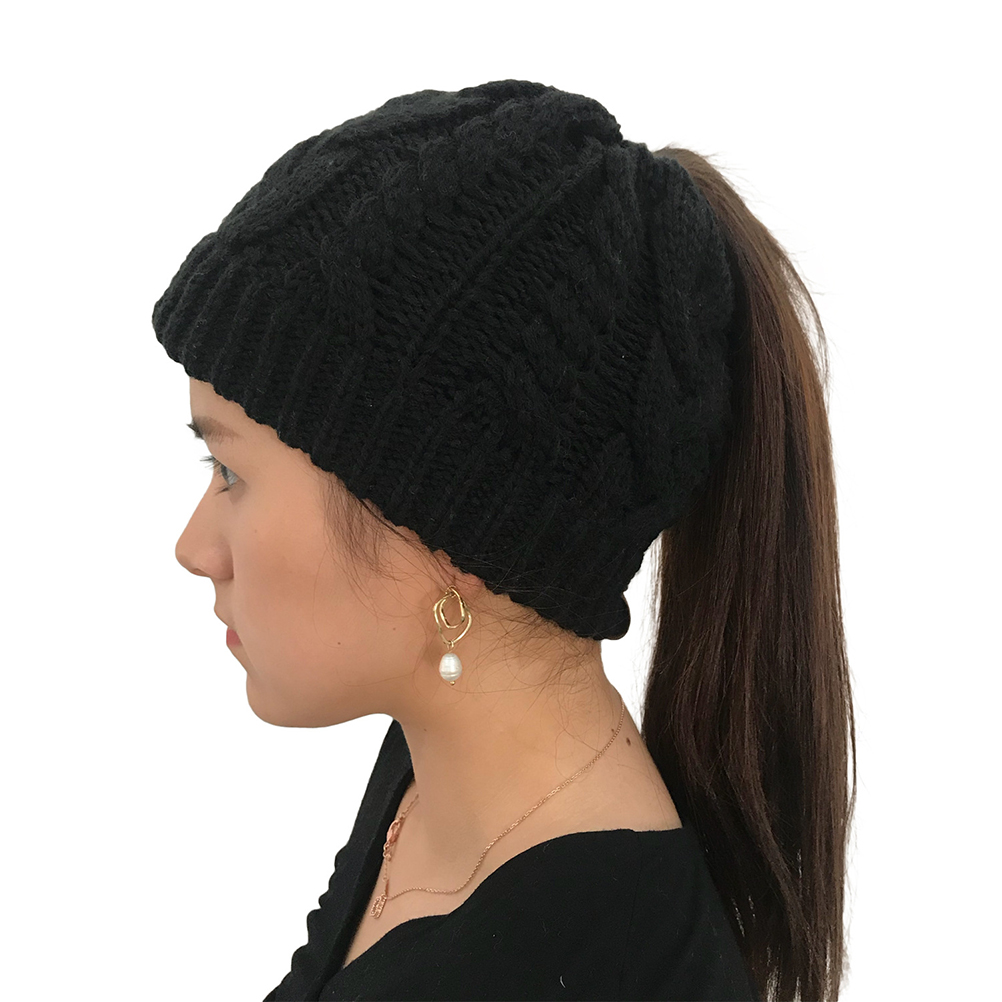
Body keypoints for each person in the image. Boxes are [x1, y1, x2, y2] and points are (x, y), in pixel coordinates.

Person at [156, 79, 855, 1002]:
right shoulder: (438, 773)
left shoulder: (607, 966)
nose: (194, 547)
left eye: (231, 473)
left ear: (444, 531)